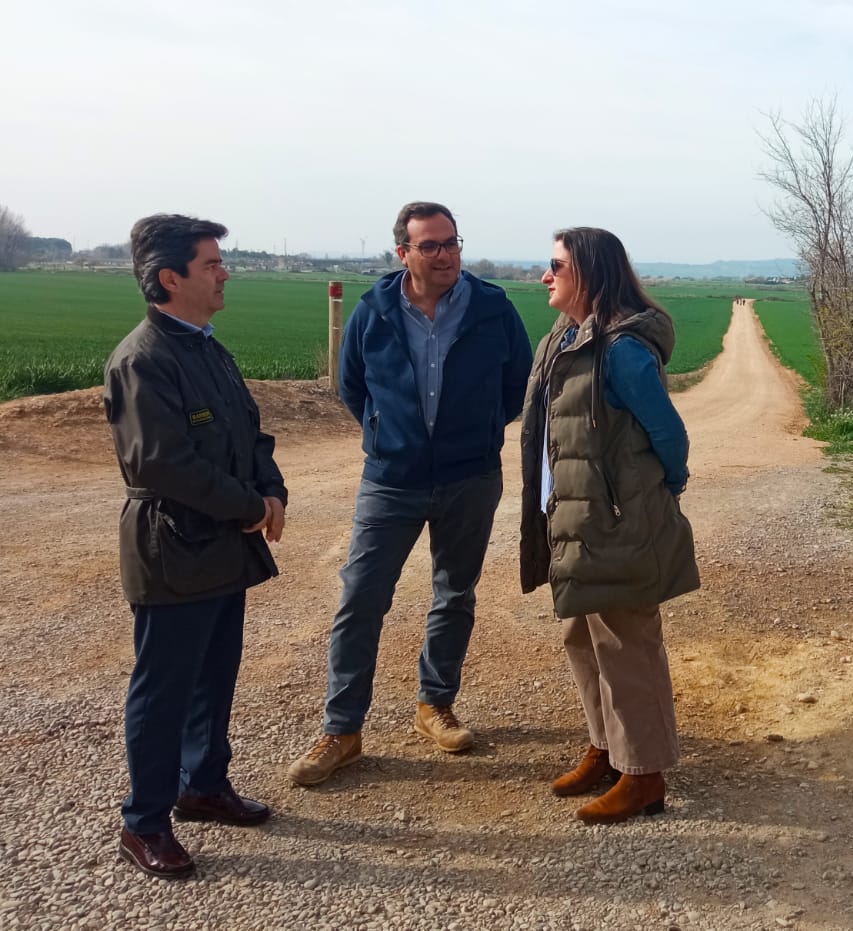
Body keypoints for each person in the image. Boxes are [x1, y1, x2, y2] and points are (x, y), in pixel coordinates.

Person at [288, 202, 533, 786]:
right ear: (404, 253)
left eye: (452, 243)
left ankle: (435, 704)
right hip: (391, 480)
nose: (446, 254)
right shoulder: (374, 311)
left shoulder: (493, 307)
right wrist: (387, 434)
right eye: (431, 246)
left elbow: (515, 385)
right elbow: (351, 387)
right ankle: (342, 730)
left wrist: (472, 433)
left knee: (454, 593)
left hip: (469, 476)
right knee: (362, 597)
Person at [104, 214, 287, 878]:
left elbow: (248, 431)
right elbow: (164, 464)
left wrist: (273, 487)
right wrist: (251, 506)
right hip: (174, 546)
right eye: (211, 263)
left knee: (214, 676)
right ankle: (144, 821)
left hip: (221, 546)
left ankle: (203, 785)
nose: (224, 272)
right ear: (168, 278)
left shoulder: (207, 346)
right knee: (164, 689)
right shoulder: (143, 359)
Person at [519, 227, 698, 824]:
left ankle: (644, 776)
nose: (546, 275)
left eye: (557, 265)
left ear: (590, 274)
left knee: (627, 645)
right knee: (583, 637)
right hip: (569, 518)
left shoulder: (621, 349)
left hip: (614, 521)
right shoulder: (562, 340)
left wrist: (656, 495)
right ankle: (608, 748)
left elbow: (669, 436)